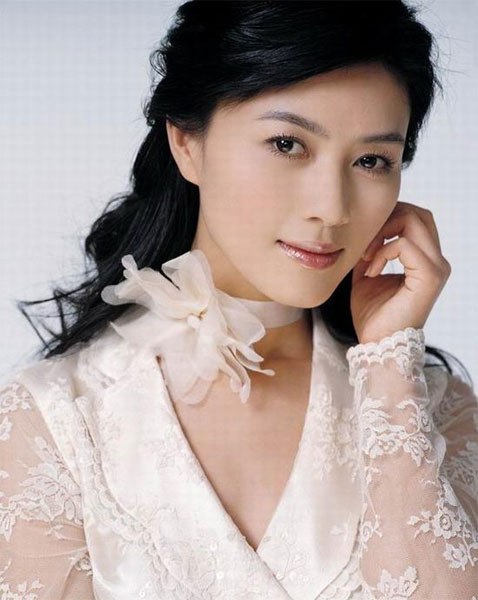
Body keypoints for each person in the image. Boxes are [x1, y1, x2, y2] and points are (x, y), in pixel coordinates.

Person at [1, 1, 477, 598]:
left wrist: (389, 369)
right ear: (186, 142)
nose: (332, 208)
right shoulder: (53, 419)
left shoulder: (435, 411)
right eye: (287, 144)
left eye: (371, 160)